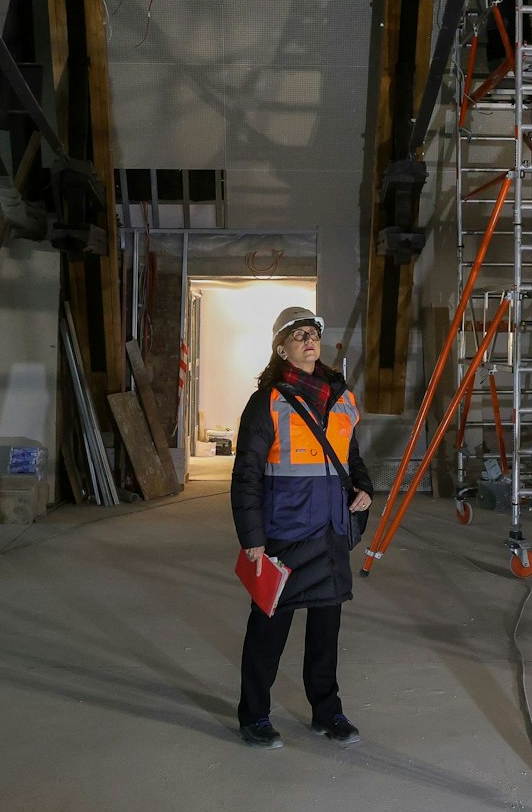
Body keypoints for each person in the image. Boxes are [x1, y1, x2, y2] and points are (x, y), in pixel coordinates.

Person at [230, 306, 374, 749]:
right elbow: (247, 473)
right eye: (298, 335)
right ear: (282, 348)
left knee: (326, 628)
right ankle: (254, 715)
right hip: (285, 532)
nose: (308, 340)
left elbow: (350, 457)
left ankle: (326, 711)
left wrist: (364, 488)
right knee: (269, 627)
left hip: (331, 529)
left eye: (313, 333)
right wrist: (252, 538)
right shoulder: (268, 401)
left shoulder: (340, 396)